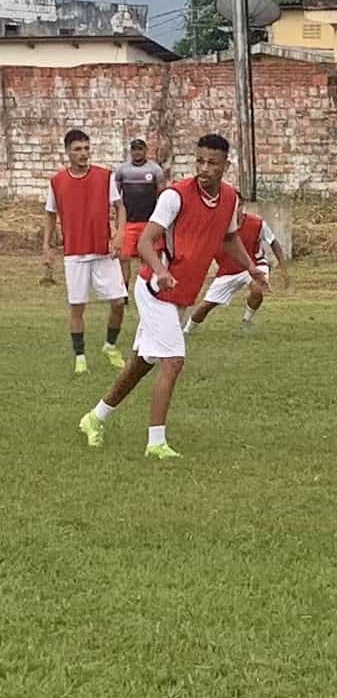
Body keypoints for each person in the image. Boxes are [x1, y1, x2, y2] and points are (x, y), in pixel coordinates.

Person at [78, 134, 268, 459]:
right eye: (200, 161)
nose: (204, 168)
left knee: (142, 362)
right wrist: (161, 270)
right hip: (155, 289)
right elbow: (144, 242)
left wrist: (251, 268)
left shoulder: (228, 198)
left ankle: (95, 417)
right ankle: (156, 443)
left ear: (225, 165)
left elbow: (229, 238)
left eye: (212, 163)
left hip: (180, 293)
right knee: (174, 360)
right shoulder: (174, 196)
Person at [43, 128, 126, 375]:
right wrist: (47, 245)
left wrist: (120, 234)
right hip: (74, 254)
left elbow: (120, 207)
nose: (83, 153)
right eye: (78, 149)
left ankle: (110, 346)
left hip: (103, 251)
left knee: (118, 303)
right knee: (77, 307)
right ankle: (80, 357)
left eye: (86, 148)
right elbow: (50, 214)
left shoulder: (105, 176)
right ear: (67, 152)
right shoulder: (57, 182)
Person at [183, 195, 289, 333]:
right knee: (205, 306)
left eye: (236, 206)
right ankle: (187, 331)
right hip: (228, 270)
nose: (233, 210)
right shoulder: (214, 226)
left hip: (255, 264)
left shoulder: (257, 224)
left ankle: (246, 320)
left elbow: (273, 242)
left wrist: (283, 268)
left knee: (257, 289)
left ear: (242, 207)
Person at [113, 137, 166, 287]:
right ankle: (124, 290)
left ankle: (146, 287)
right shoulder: (122, 170)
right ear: (131, 151)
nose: (137, 153)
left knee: (148, 257)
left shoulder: (155, 169)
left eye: (140, 149)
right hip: (128, 222)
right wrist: (117, 220)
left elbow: (162, 196)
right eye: (134, 150)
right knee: (124, 257)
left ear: (145, 151)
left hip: (149, 223)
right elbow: (116, 198)